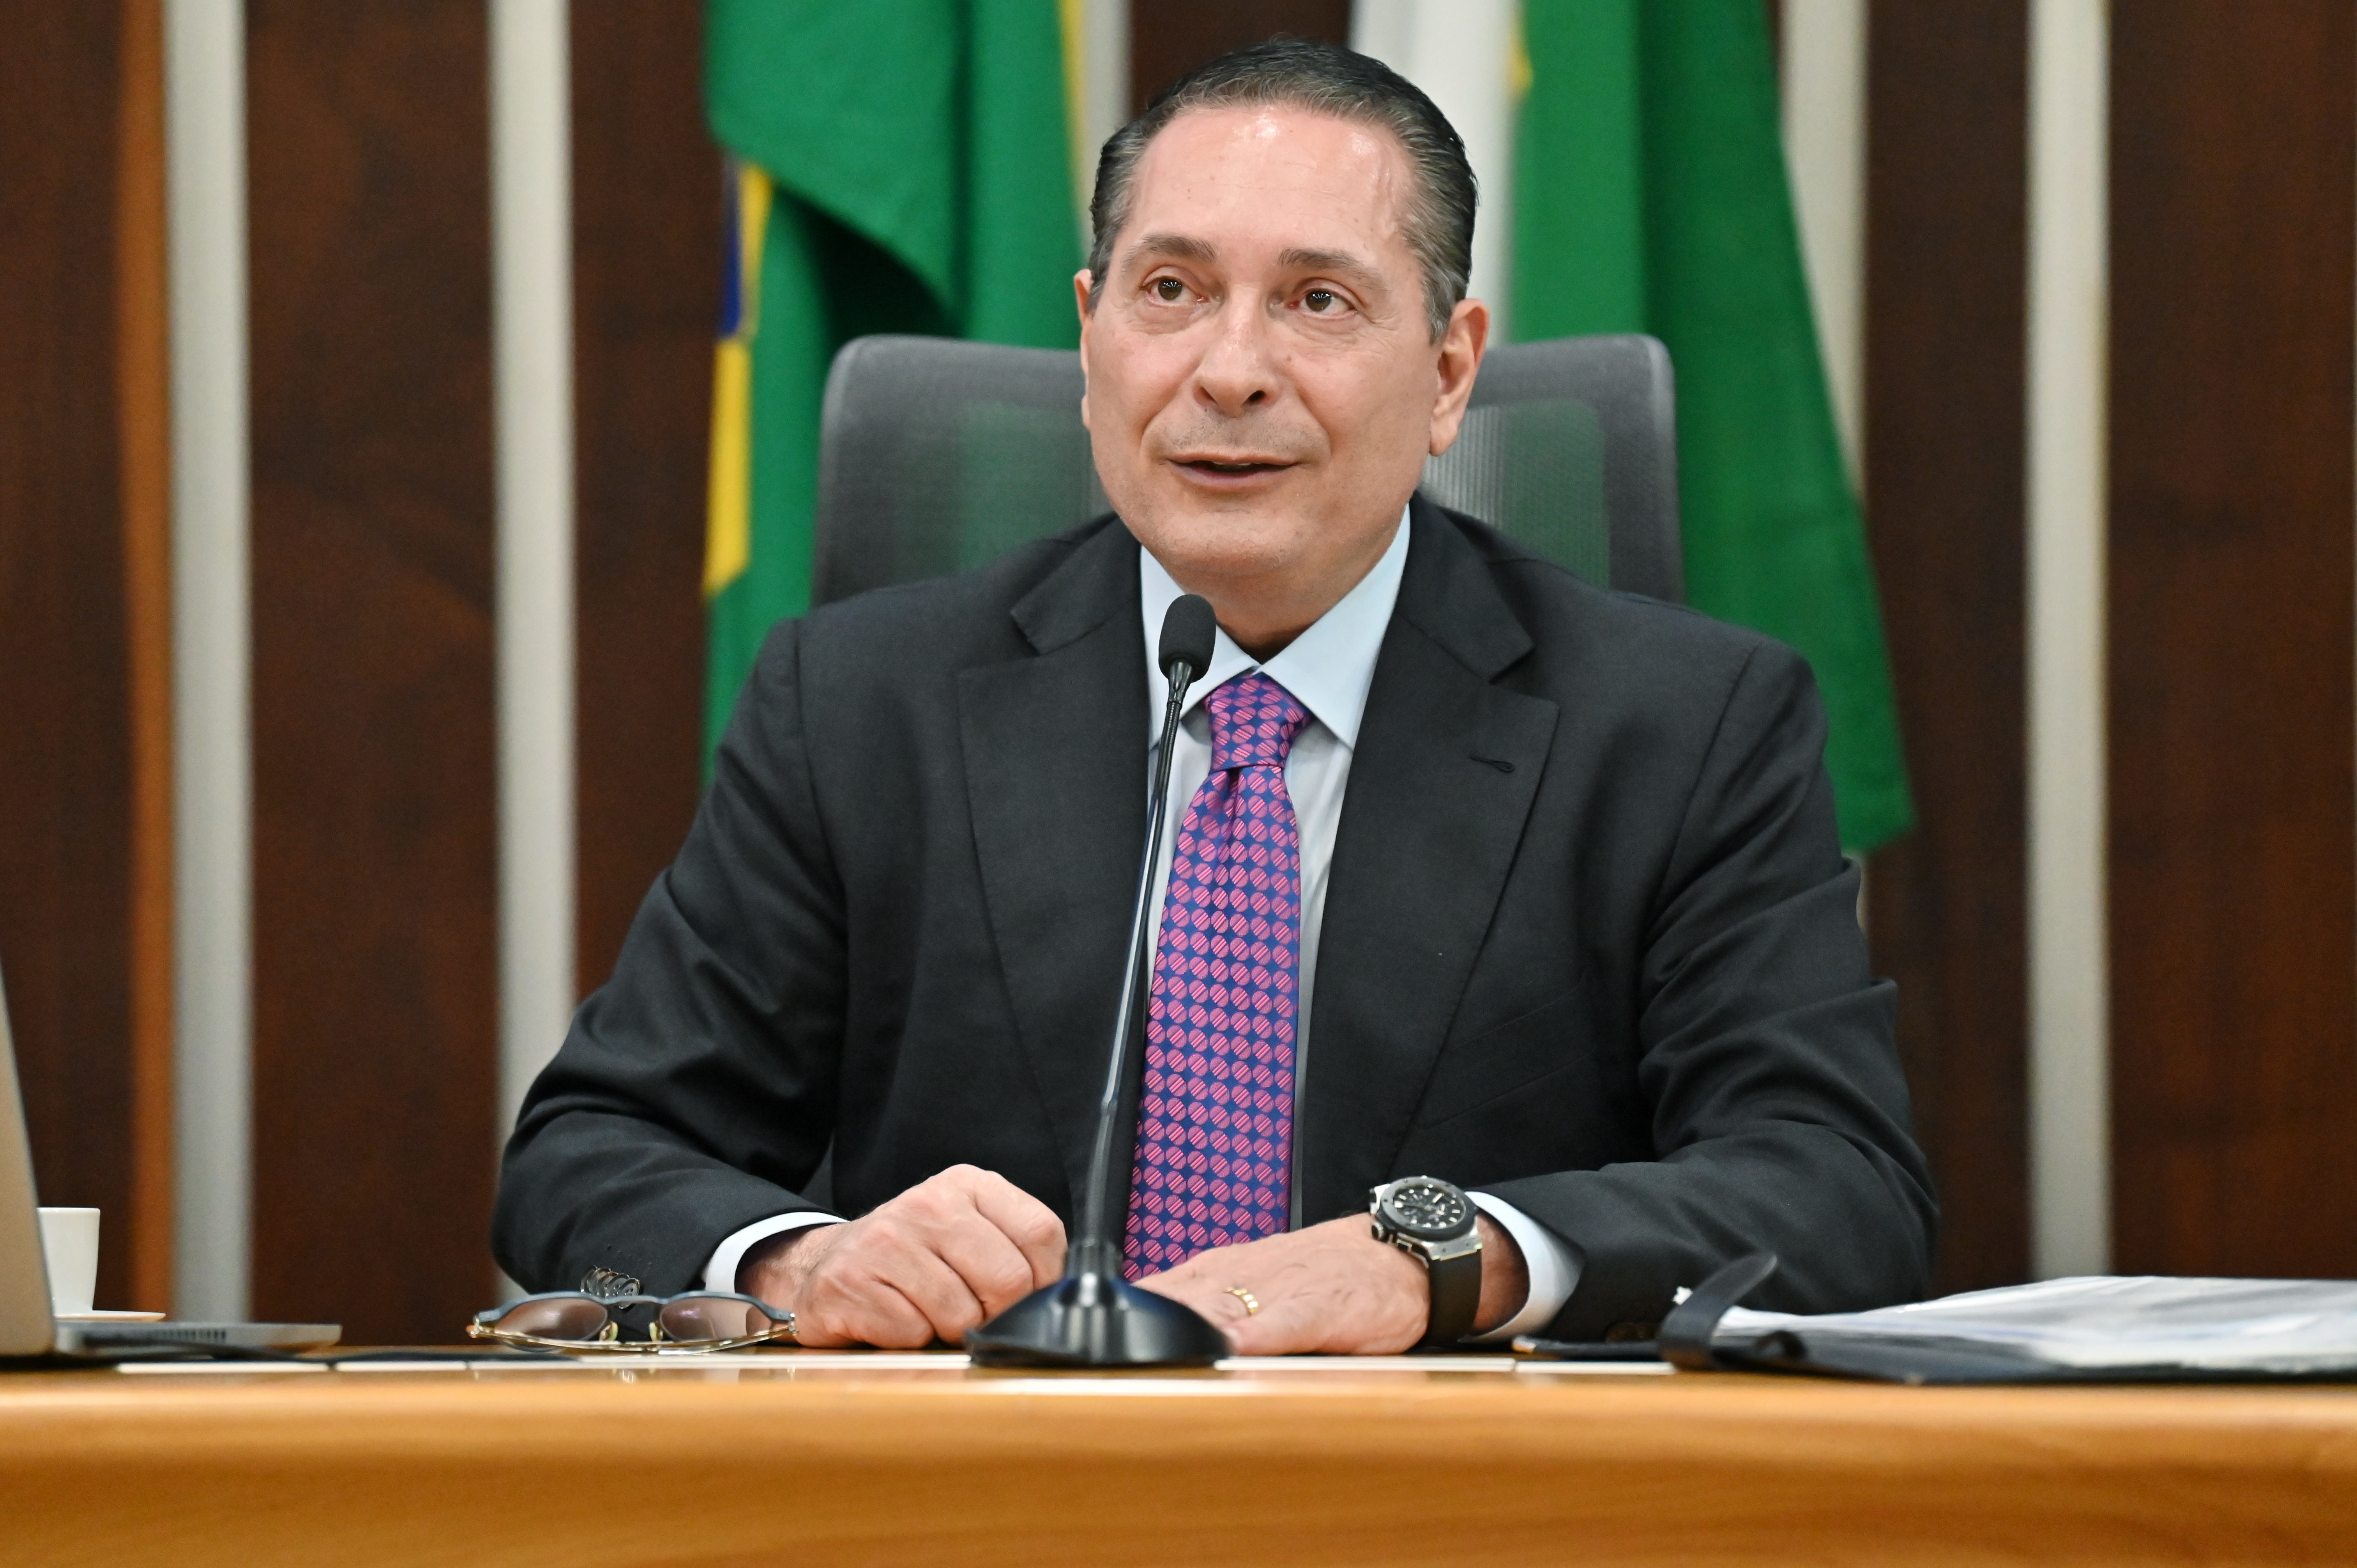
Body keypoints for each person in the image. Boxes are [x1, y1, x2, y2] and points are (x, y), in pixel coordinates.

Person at [494, 39, 1934, 1353]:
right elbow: (587, 1153)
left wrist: (1451, 1257)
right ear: (1091, 339)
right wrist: (803, 1262)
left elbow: (1840, 1188)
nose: (1230, 373)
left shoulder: (1686, 727)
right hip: (979, 1493)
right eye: (1171, 292)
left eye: (1319, 301)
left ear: (1448, 372)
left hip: (1450, 1497)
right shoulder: (860, 704)